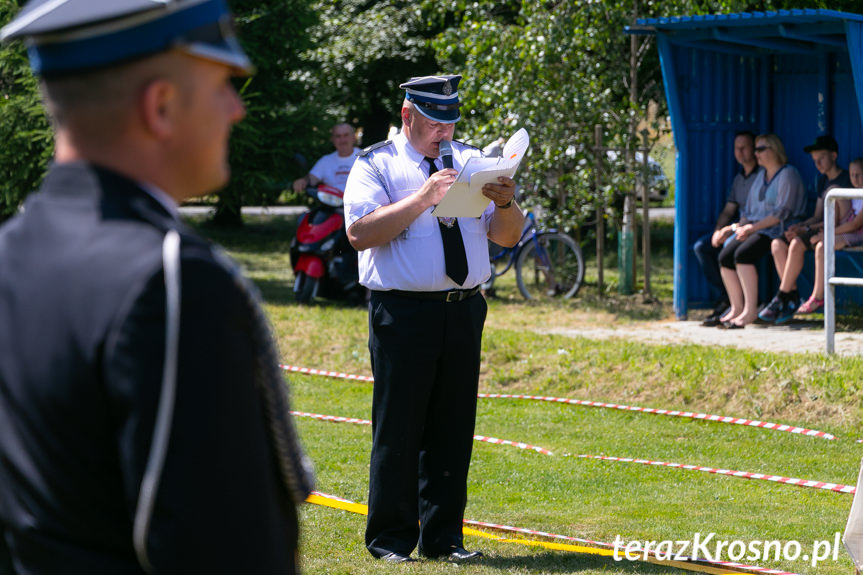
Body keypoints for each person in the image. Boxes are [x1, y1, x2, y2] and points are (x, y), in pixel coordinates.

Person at [0, 1, 313, 573]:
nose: (236, 109)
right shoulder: (174, 281)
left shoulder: (12, 250)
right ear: (161, 106)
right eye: (223, 84)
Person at [343, 75, 523, 563]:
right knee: (399, 428)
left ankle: (445, 540)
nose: (443, 133)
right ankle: (390, 541)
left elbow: (507, 237)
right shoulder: (375, 163)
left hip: (462, 311)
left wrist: (504, 201)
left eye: (450, 123)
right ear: (408, 116)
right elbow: (359, 234)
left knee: (452, 427)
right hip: (403, 313)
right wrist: (423, 198)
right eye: (433, 124)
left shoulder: (469, 161)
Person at [757, 134, 853, 323]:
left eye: (822, 159)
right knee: (777, 244)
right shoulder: (821, 181)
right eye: (815, 160)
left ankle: (783, 296)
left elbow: (840, 220)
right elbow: (819, 215)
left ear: (834, 156)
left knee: (796, 244)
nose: (818, 164)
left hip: (836, 231)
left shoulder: (845, 180)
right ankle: (790, 297)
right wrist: (802, 226)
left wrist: (807, 228)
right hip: (820, 228)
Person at [715, 133, 806, 328]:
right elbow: (749, 211)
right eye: (755, 149)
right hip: (756, 229)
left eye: (761, 149)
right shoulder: (760, 177)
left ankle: (750, 311)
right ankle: (736, 307)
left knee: (743, 254)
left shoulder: (788, 174)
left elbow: (781, 213)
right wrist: (735, 228)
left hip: (777, 230)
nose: (756, 153)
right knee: (725, 256)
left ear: (774, 150)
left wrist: (751, 228)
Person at [695, 131, 761, 326]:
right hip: (737, 227)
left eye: (744, 147)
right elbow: (728, 209)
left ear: (753, 149)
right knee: (702, 247)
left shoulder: (762, 176)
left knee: (729, 249)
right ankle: (726, 298)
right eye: (736, 148)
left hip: (753, 227)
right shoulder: (739, 179)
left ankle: (741, 305)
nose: (739, 152)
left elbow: (757, 215)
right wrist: (718, 230)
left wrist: (731, 229)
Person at [794, 157, 863, 315]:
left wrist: (827, 234)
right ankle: (816, 294)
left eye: (860, 174)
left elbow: (854, 225)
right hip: (846, 231)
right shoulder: (850, 194)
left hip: (858, 234)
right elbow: (846, 221)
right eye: (852, 175)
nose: (856, 179)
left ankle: (818, 296)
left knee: (823, 245)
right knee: (820, 245)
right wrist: (815, 230)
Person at [293, 122, 360, 193]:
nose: (342, 140)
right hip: (332, 202)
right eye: (338, 136)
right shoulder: (325, 161)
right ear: (332, 139)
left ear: (353, 137)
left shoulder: (366, 158)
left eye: (346, 135)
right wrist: (303, 181)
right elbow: (311, 179)